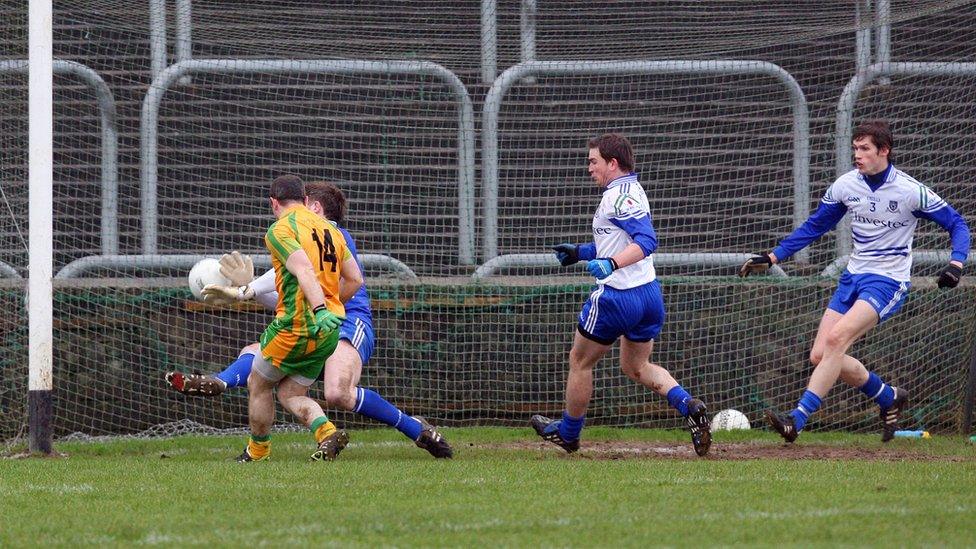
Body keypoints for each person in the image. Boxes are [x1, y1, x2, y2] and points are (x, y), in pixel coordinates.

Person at [166, 181, 453, 459]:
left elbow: (309, 272)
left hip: (349, 320)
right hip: (314, 321)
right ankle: (221, 382)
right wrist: (248, 291)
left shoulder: (331, 233)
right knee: (256, 357)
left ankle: (416, 428)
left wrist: (248, 288)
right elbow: (288, 296)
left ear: (312, 206)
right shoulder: (303, 237)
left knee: (336, 392)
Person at [740, 120, 970, 443]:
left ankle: (797, 419)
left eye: (865, 149)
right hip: (853, 277)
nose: (858, 155)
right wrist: (773, 256)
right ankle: (888, 396)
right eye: (855, 148)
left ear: (884, 151)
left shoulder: (909, 191)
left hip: (887, 281)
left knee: (837, 340)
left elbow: (957, 223)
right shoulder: (847, 185)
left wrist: (956, 263)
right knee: (820, 355)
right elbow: (815, 225)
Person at [531, 133, 712, 457]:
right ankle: (689, 406)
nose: (589, 168)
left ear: (612, 163)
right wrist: (582, 253)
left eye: (593, 161)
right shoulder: (631, 190)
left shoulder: (616, 198)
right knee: (637, 367)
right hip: (648, 296)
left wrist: (611, 263)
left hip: (618, 297)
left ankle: (569, 435)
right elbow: (617, 241)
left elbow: (646, 241)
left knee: (579, 361)